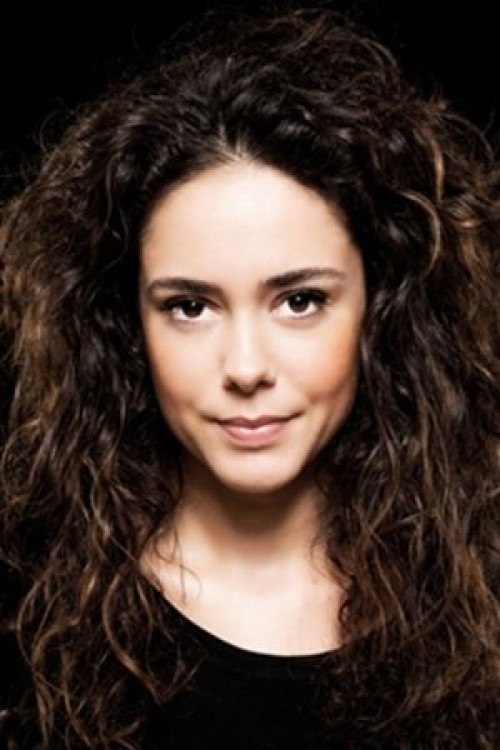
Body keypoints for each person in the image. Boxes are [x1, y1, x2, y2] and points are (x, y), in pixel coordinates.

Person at [1, 6, 498, 749]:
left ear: (382, 307)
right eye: (190, 306)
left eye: (300, 301)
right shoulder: (27, 607)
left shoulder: (482, 597)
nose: (245, 368)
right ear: (125, 324)